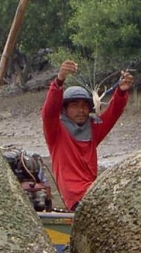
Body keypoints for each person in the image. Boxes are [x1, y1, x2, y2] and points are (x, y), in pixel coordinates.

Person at [41, 59, 134, 210]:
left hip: (93, 191)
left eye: (84, 106)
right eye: (75, 105)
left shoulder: (93, 129)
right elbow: (49, 111)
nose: (81, 110)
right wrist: (59, 81)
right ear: (64, 109)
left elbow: (113, 113)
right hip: (76, 197)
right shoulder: (55, 131)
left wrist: (121, 91)